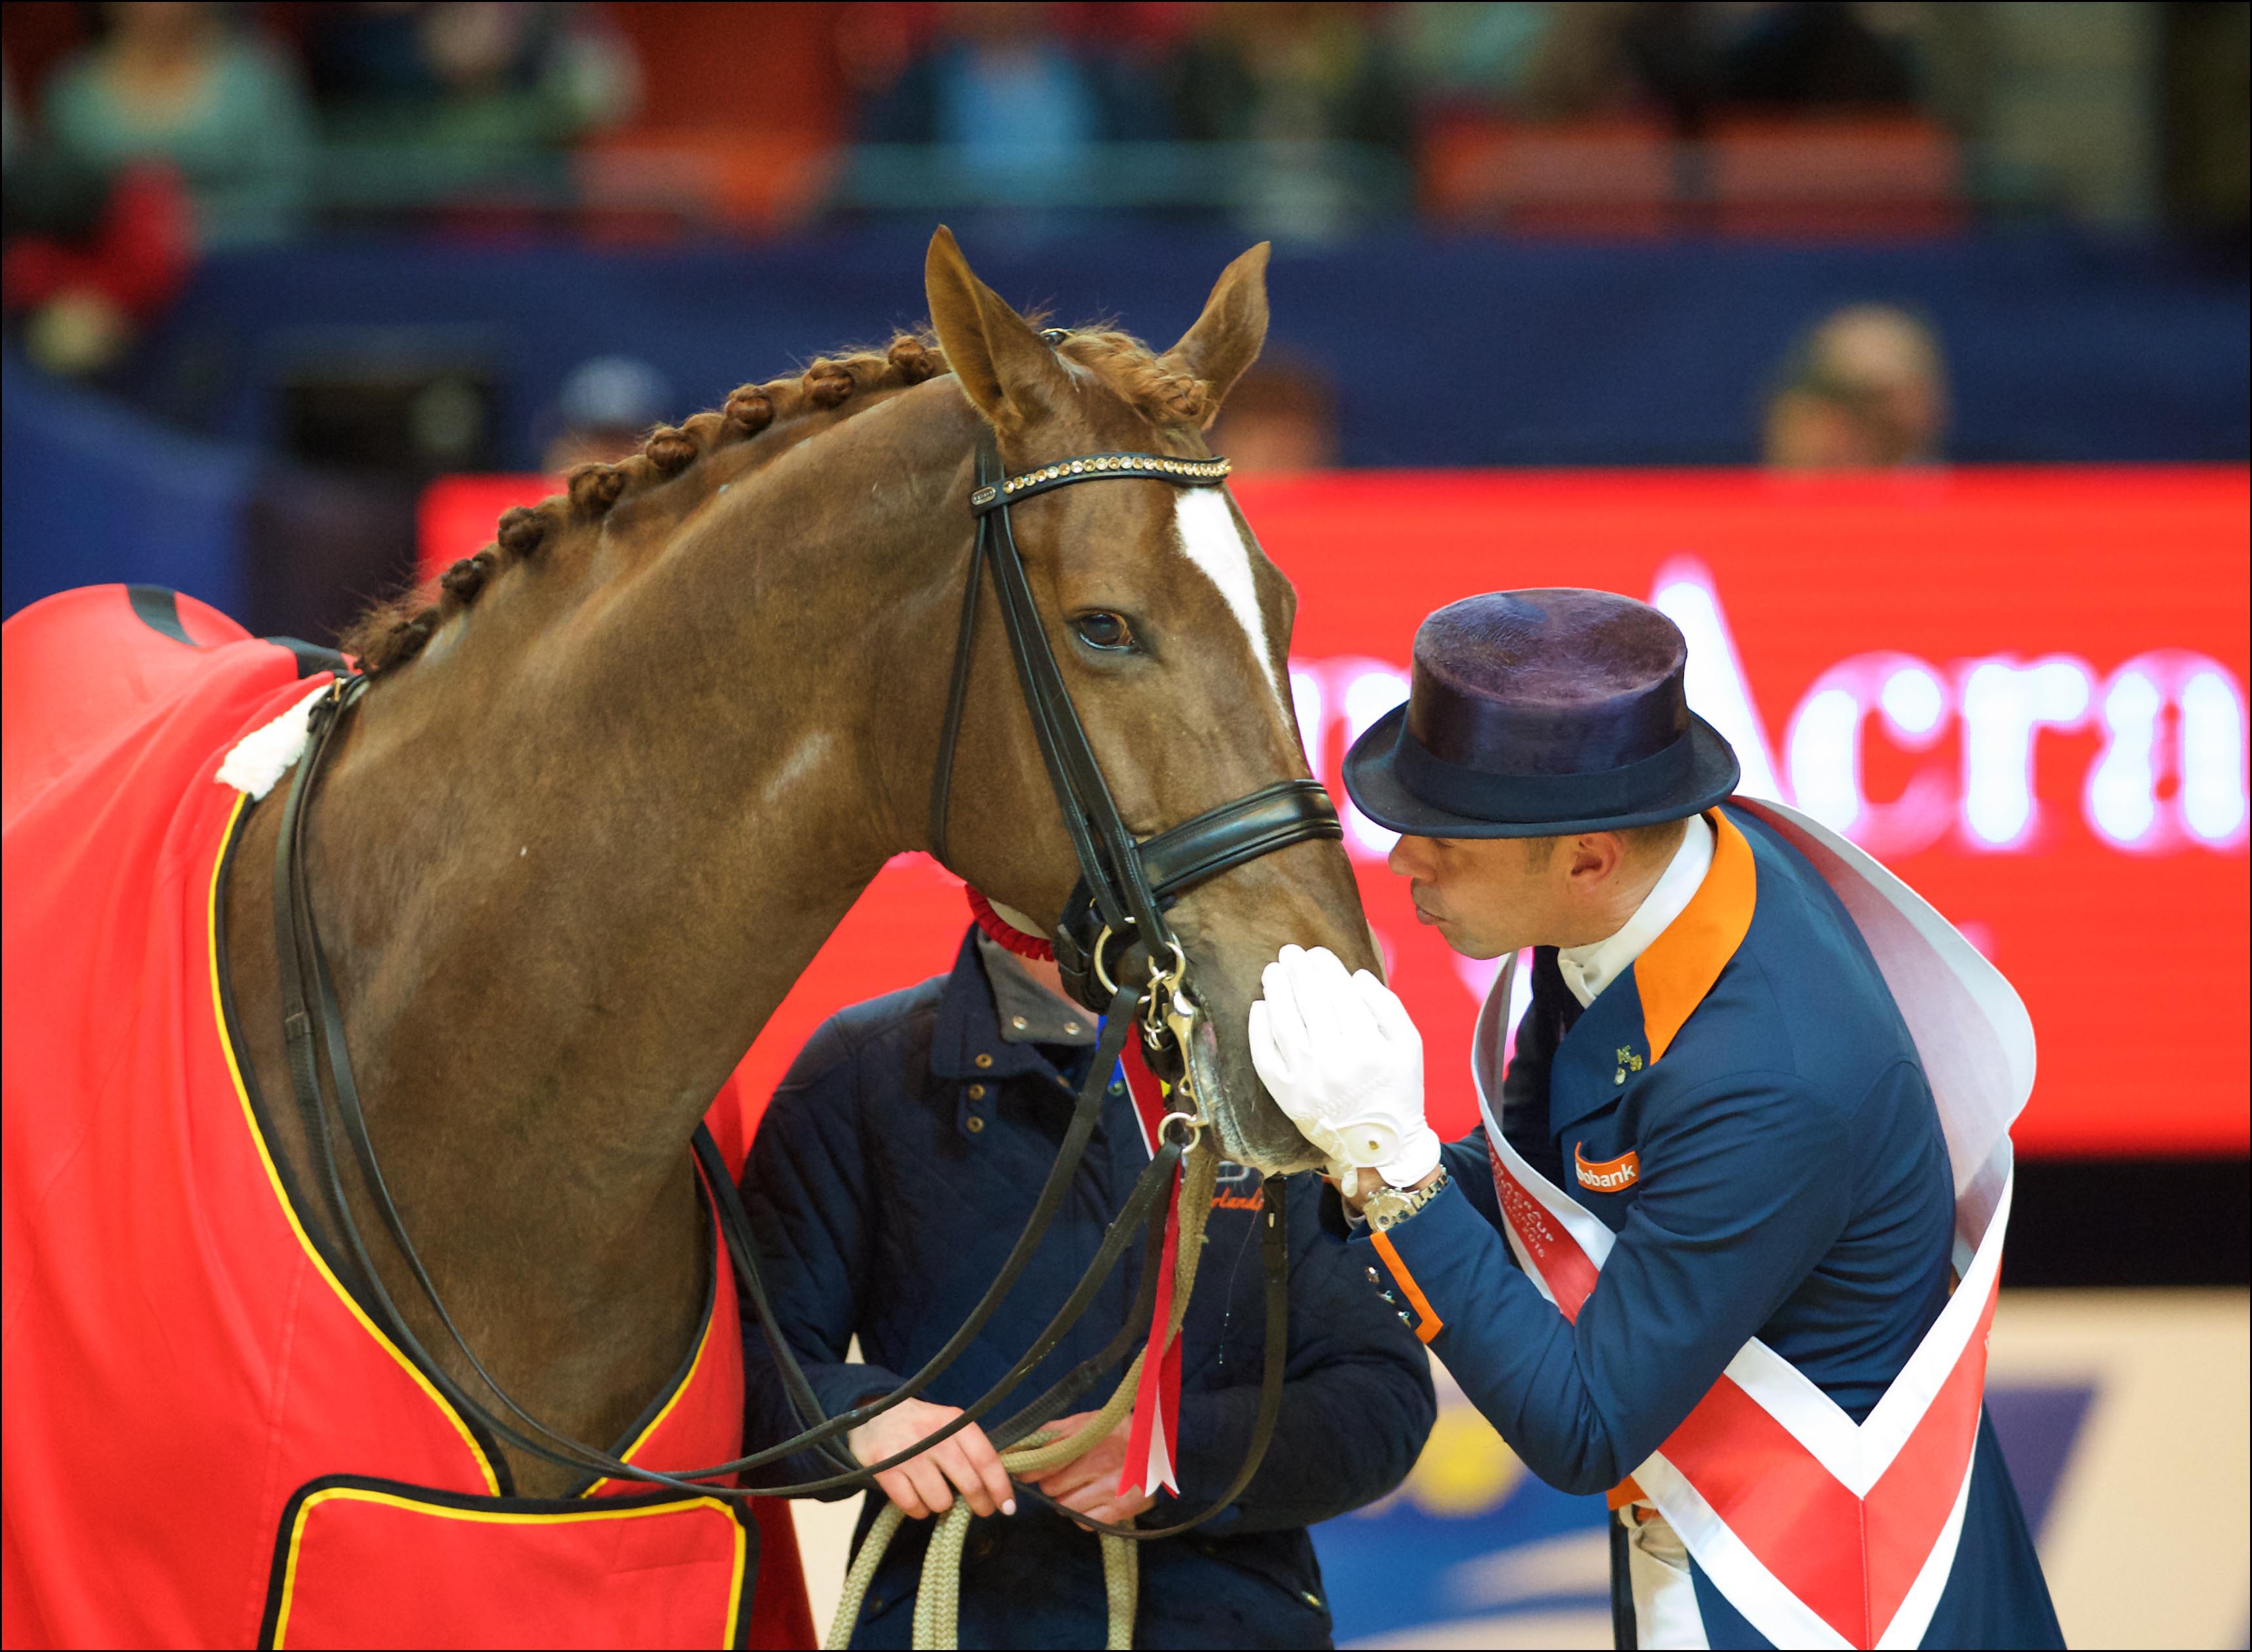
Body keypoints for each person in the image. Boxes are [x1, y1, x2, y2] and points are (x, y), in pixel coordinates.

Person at [1249, 588, 2062, 1649]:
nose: (1404, 861)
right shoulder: (1654, 893)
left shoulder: (1772, 1079)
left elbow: (1583, 1427)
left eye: (1445, 836)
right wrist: (1302, 1179)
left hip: (1831, 1600)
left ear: (1587, 856)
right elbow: (1546, 1184)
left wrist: (1387, 1158)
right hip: (1713, 1544)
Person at [740, 912, 1435, 1649]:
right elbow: (745, 1368)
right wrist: (864, 1417)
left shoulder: (1264, 1071)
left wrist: (1177, 1456)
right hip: (952, 1615)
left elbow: (1380, 1397)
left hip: (1229, 1620)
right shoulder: (860, 1072)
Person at [1763, 303, 1949, 469]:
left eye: (1873, 404)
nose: (1844, 433)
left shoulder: (1946, 499)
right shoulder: (1756, 499)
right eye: (1838, 402)